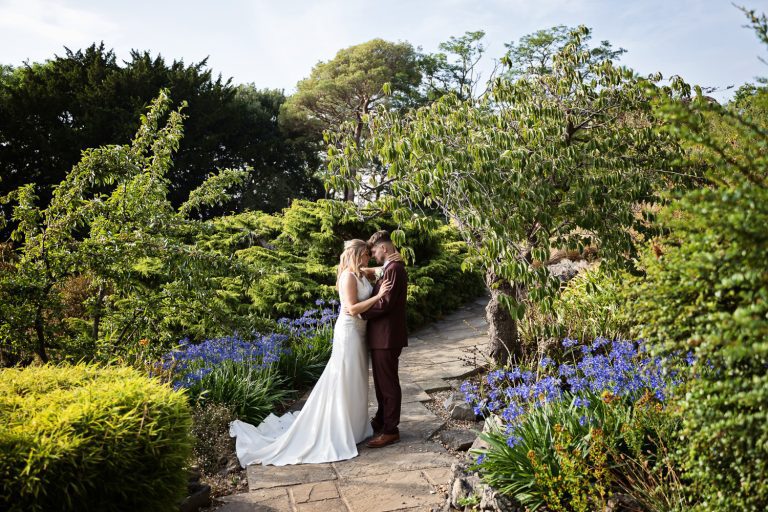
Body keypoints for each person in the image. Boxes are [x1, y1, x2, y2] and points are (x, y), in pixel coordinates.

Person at [229, 239, 391, 466]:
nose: (368, 258)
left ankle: (355, 428)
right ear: (357, 255)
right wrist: (379, 295)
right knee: (344, 379)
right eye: (365, 254)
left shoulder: (362, 273)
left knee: (356, 380)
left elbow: (381, 268)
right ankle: (337, 429)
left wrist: (387, 265)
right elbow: (352, 308)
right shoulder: (348, 277)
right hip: (349, 333)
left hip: (361, 334)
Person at [358, 230, 408, 449]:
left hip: (387, 336)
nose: (374, 253)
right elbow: (380, 271)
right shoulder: (390, 267)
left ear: (385, 248)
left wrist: (361, 313)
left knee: (388, 384)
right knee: (381, 383)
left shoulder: (395, 268)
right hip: (382, 336)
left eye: (376, 250)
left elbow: (385, 303)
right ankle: (381, 420)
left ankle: (391, 430)